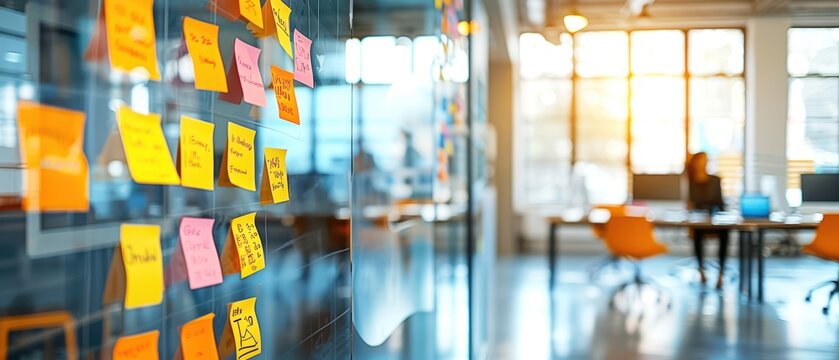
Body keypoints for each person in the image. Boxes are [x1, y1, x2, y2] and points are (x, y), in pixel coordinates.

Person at [686, 152, 729, 289]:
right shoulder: (689, 182)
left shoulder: (715, 180)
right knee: (697, 231)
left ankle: (721, 273)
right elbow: (690, 205)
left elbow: (721, 204)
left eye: (706, 160)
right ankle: (701, 271)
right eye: (701, 160)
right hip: (698, 221)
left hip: (715, 220)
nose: (704, 163)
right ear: (695, 163)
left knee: (725, 232)